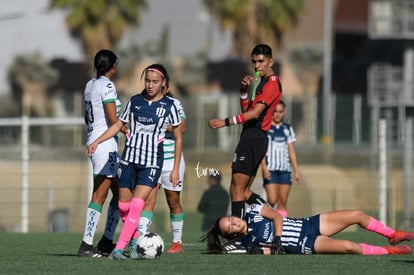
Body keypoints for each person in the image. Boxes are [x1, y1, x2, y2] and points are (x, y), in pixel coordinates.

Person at [86, 64, 183, 260]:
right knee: (123, 206)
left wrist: (174, 169)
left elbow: (179, 137)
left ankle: (119, 249)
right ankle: (136, 238)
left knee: (137, 205)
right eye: (147, 81)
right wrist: (97, 141)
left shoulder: (170, 106)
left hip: (151, 163)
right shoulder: (135, 101)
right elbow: (119, 125)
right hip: (129, 160)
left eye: (155, 82)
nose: (150, 85)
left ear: (163, 83)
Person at [208, 44, 282, 221]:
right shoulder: (261, 82)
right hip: (253, 136)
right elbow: (249, 110)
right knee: (244, 191)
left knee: (236, 190)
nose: (257, 66)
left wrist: (225, 122)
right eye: (254, 62)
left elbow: (255, 114)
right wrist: (243, 93)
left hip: (254, 137)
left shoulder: (271, 84)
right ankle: (273, 218)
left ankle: (238, 234)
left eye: (261, 61)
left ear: (270, 61)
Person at [202, 202, 414, 255]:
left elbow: (276, 215)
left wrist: (276, 236)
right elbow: (270, 252)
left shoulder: (253, 211)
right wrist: (266, 250)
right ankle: (388, 250)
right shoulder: (248, 242)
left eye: (230, 219)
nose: (233, 222)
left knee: (357, 215)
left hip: (308, 224)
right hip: (307, 243)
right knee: (350, 246)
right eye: (229, 227)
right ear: (232, 233)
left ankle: (393, 234)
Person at [78, 49, 125, 257]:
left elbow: (87, 118)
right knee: (100, 194)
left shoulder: (89, 84)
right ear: (113, 66)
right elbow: (113, 118)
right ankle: (86, 245)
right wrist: (127, 129)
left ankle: (106, 241)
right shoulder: (107, 85)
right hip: (104, 145)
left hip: (100, 142)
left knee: (119, 193)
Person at [137, 87, 187, 254]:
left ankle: (177, 242)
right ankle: (141, 241)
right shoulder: (145, 104)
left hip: (171, 160)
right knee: (147, 201)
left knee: (173, 202)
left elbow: (182, 129)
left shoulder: (174, 104)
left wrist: (161, 124)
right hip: (151, 159)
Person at [261, 100, 300, 218]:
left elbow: (291, 151)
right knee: (272, 200)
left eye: (280, 112)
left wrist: (296, 171)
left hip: (285, 170)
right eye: (275, 112)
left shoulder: (288, 128)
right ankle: (264, 223)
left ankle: (282, 229)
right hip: (270, 169)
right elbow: (261, 150)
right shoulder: (266, 128)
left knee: (282, 201)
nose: (277, 114)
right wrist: (264, 168)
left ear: (284, 112)